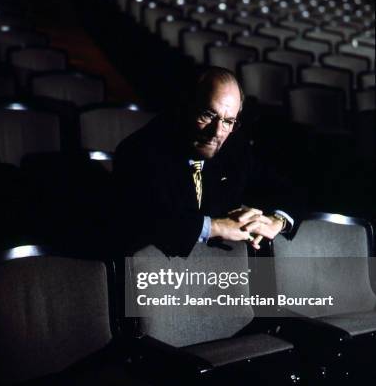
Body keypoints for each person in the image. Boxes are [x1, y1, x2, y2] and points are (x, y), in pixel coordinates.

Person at [113, 67, 295, 257]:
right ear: (186, 107)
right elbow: (149, 220)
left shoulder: (235, 148)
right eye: (208, 115)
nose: (217, 132)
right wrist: (216, 227)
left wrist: (276, 221)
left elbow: (288, 191)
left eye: (228, 121)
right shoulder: (138, 151)